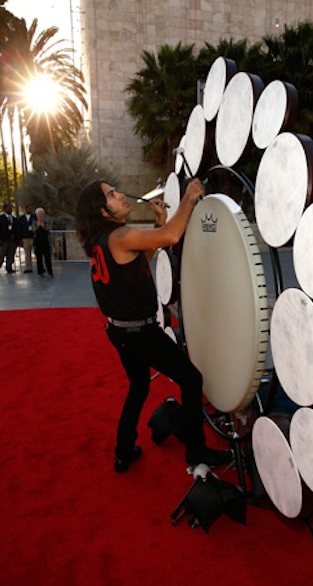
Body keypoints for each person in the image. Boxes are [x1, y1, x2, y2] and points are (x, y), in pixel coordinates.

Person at [75, 179, 232, 473]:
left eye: (117, 190)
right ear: (102, 211)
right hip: (140, 333)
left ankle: (123, 451)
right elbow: (172, 237)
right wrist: (189, 197)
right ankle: (196, 454)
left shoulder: (103, 240)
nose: (120, 194)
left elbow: (139, 259)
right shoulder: (119, 235)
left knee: (138, 386)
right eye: (111, 194)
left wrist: (159, 223)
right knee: (191, 379)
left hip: (119, 331)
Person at [33, 207, 54, 277]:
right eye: (39, 214)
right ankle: (40, 272)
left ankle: (50, 272)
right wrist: (37, 226)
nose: (40, 216)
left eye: (41, 214)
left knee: (47, 257)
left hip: (45, 241)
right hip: (38, 242)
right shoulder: (34, 221)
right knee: (39, 258)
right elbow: (33, 230)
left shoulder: (46, 221)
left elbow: (49, 229)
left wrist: (44, 226)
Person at [0, 203, 18, 273]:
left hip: (12, 240)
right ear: (5, 209)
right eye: (8, 208)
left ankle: (9, 267)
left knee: (11, 254)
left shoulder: (14, 219)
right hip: (3, 240)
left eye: (11, 208)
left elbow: (16, 229)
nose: (10, 209)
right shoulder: (0, 218)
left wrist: (17, 240)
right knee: (1, 254)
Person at [18, 204, 36, 273]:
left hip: (33, 237)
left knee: (37, 252)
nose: (29, 209)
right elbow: (19, 229)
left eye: (30, 208)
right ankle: (28, 268)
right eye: (28, 208)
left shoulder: (35, 217)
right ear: (25, 209)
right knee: (27, 254)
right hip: (25, 238)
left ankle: (41, 267)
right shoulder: (21, 218)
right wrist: (20, 239)